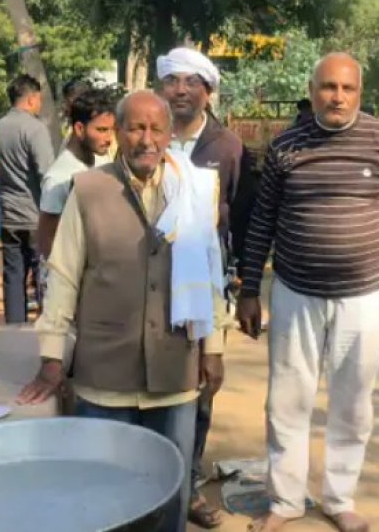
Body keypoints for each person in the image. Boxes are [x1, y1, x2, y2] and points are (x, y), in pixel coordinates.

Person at [237, 53, 379, 532]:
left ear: (360, 94)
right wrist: (249, 289)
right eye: (328, 87)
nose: (337, 97)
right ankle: (285, 501)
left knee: (352, 400)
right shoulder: (287, 146)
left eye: (347, 89)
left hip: (365, 296)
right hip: (295, 291)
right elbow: (262, 220)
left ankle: (339, 497)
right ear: (312, 92)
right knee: (287, 399)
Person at [18, 90, 229, 532]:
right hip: (105, 376)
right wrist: (51, 358)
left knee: (171, 491)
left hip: (175, 371)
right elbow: (64, 275)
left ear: (170, 135)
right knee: (104, 493)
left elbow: (211, 271)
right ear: (117, 133)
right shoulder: (90, 190)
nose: (146, 139)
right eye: (135, 127)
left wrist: (214, 347)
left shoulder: (193, 189)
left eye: (156, 129)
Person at [157, 45, 255, 529]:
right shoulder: (145, 139)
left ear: (208, 91)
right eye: (172, 80)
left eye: (190, 81)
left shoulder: (228, 149)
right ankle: (153, 481)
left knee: (201, 384)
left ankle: (188, 485)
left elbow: (240, 219)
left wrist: (244, 282)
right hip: (149, 285)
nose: (180, 89)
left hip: (205, 287)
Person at [0, 75, 55, 323]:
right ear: (31, 99)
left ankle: (13, 329)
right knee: (42, 275)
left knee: (13, 274)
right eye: (38, 99)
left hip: (9, 213)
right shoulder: (35, 128)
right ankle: (46, 328)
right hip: (35, 215)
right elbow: (46, 172)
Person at [38, 88, 116, 259]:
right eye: (102, 130)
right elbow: (47, 242)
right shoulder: (59, 179)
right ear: (80, 129)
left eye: (111, 130)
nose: (109, 138)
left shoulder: (104, 162)